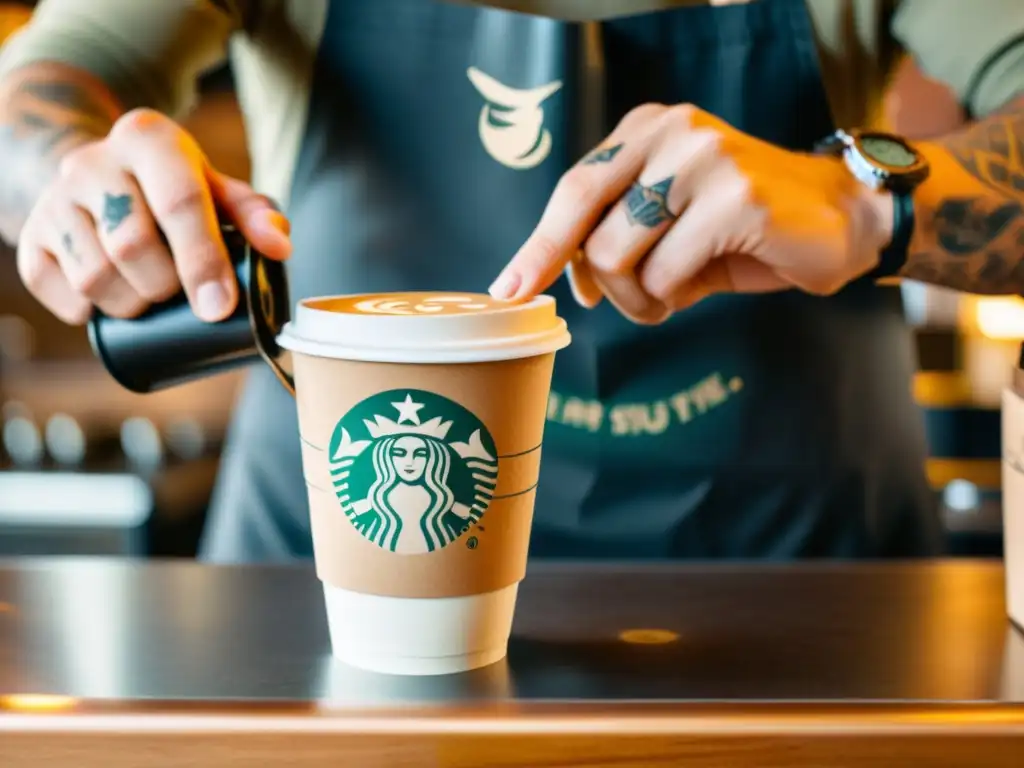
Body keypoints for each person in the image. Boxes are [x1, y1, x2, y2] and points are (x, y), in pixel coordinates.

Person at [0, 0, 1021, 562]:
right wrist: (64, 173)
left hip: (797, 583)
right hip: (332, 591)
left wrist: (866, 205)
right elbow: (47, 85)